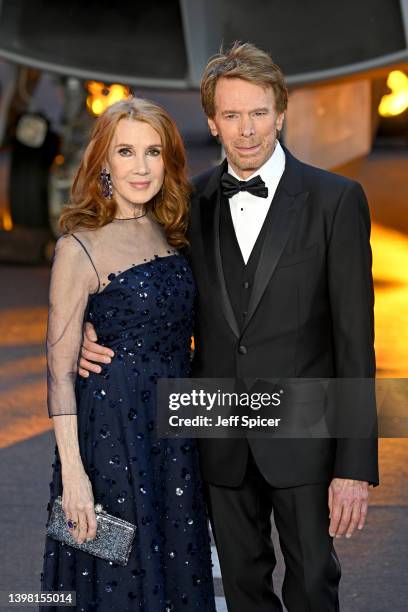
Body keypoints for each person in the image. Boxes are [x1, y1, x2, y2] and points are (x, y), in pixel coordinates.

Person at [79, 43, 379, 612]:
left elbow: (353, 341)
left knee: (314, 583)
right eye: (232, 115)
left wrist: (354, 467)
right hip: (217, 432)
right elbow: (135, 280)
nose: (248, 130)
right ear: (212, 122)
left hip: (304, 435)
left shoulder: (335, 201)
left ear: (281, 113)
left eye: (259, 113)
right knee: (242, 590)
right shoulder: (188, 203)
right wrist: (84, 336)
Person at [40, 97, 216, 612]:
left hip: (174, 438)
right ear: (104, 163)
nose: (141, 167)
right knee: (113, 577)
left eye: (153, 152)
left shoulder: (174, 231)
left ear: (169, 160)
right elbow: (57, 374)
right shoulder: (80, 246)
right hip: (110, 439)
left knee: (176, 572)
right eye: (126, 152)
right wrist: (74, 477)